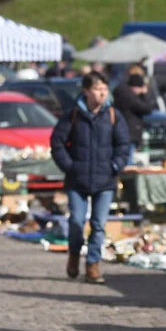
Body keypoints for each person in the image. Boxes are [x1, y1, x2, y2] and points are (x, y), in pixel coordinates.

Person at [50, 71, 130, 284]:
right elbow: (57, 143)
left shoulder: (113, 114)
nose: (102, 93)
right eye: (97, 89)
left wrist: (115, 165)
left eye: (104, 89)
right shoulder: (73, 114)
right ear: (86, 91)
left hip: (105, 180)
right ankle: (74, 254)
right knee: (76, 221)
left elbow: (124, 144)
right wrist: (70, 166)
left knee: (99, 224)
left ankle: (93, 264)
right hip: (78, 180)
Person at [113, 74, 155, 165]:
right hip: (129, 134)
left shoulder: (121, 93)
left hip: (125, 133)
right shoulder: (129, 96)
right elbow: (147, 108)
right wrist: (145, 94)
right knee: (127, 163)